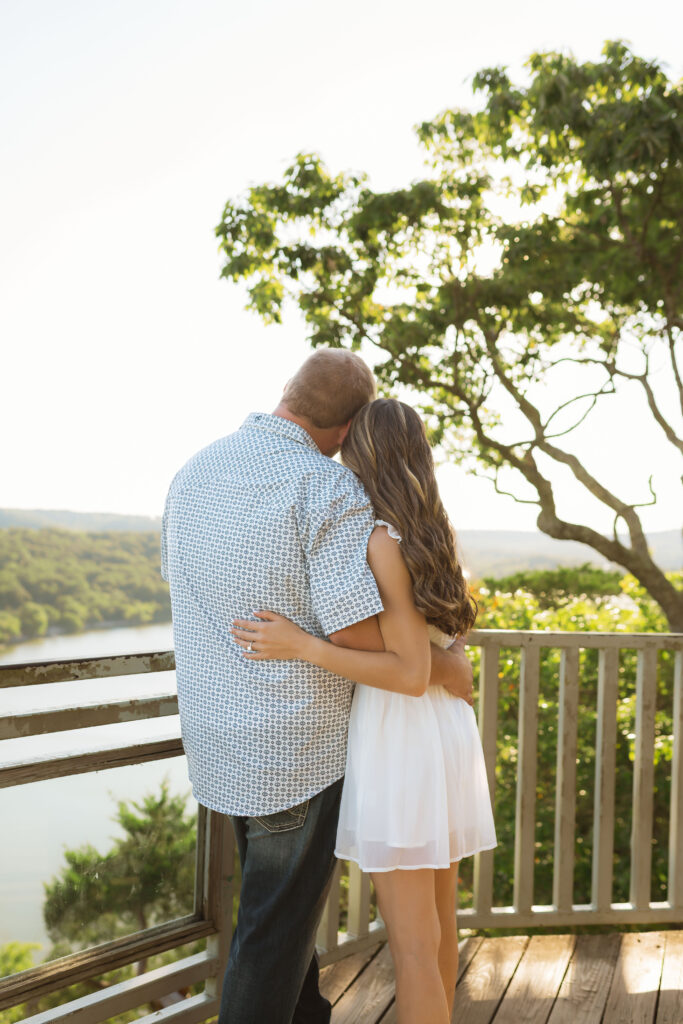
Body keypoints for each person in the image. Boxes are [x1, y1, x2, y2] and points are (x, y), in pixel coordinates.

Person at [160, 353, 474, 1024]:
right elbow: (372, 642)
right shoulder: (322, 487)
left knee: (279, 923)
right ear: (350, 426)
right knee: (275, 936)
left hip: (219, 737)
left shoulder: (194, 471)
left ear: (288, 391)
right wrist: (447, 666)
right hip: (296, 748)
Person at [231, 398, 497, 1024]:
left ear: (362, 453)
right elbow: (442, 650)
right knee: (436, 929)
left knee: (410, 941)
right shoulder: (437, 533)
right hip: (444, 732)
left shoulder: (380, 540)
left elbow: (406, 673)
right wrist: (450, 662)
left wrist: (302, 645)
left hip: (401, 738)